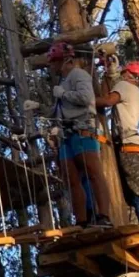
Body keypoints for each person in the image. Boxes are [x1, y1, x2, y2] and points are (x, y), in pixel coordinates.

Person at [47, 42, 112, 228]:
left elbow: (86, 98)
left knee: (93, 172)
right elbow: (58, 109)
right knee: (71, 178)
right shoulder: (62, 82)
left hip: (83, 128)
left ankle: (104, 216)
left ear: (66, 60)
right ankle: (82, 220)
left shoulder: (78, 75)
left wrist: (65, 93)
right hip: (65, 133)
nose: (52, 66)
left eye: (54, 62)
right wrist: (40, 109)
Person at [96, 60, 139, 223]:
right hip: (130, 145)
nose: (122, 75)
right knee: (129, 192)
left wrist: (84, 101)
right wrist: (107, 74)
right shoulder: (136, 92)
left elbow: (107, 101)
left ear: (131, 75)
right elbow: (108, 96)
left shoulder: (125, 86)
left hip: (128, 145)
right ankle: (137, 224)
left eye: (124, 73)